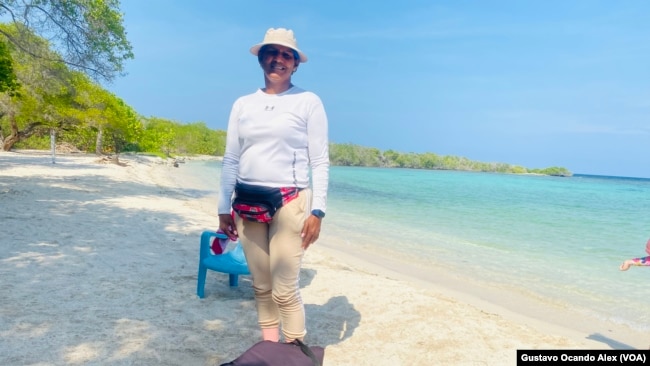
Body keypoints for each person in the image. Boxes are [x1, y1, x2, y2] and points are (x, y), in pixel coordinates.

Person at [217, 27, 329, 344]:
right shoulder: (243, 104)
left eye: (286, 55)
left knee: (284, 290)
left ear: (295, 64)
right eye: (272, 53)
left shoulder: (308, 102)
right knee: (261, 286)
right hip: (247, 202)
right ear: (261, 58)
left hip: (290, 202)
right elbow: (231, 158)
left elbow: (319, 161)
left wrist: (318, 211)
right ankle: (270, 349)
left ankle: (293, 353)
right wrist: (222, 208)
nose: (278, 59)